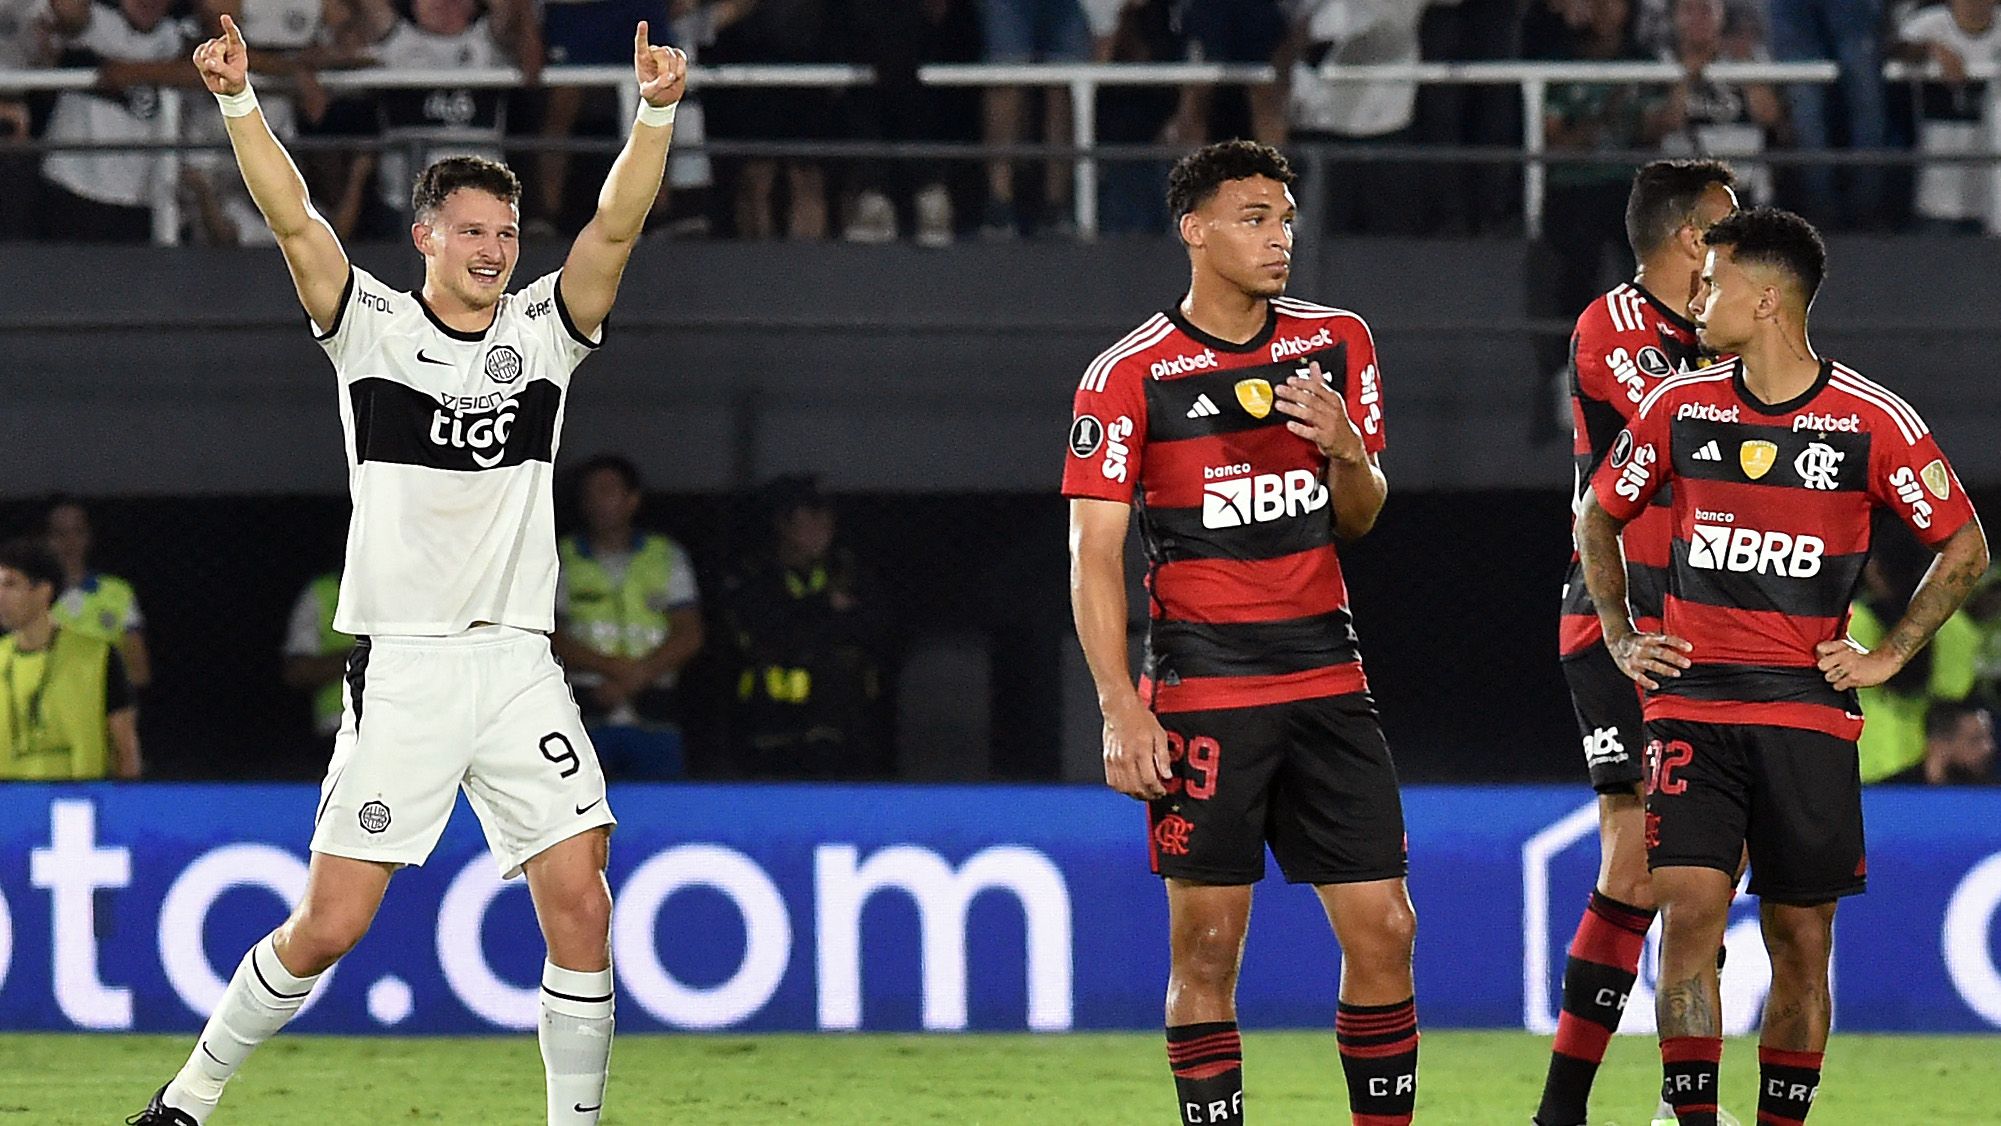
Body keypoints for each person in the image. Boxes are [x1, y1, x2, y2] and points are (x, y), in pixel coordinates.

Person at [129, 15, 687, 1126]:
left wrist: (656, 114)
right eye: (473, 230)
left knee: (581, 895)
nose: (495, 249)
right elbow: (292, 217)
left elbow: (616, 228)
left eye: (508, 231)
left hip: (520, 663)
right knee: (328, 926)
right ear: (425, 235)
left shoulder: (547, 332)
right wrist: (240, 99)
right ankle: (188, 1098)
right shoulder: (369, 329)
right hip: (410, 670)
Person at [1576, 207, 1989, 1125]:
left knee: (1800, 942)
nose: (1697, 298)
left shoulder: (1869, 421)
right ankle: (1689, 1118)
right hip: (1691, 709)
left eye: (1713, 282)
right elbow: (1597, 514)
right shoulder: (1677, 407)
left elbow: (1962, 545)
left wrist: (1888, 656)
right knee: (1687, 917)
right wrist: (1618, 630)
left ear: (1765, 300)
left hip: (1804, 714)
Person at [1064, 140, 1417, 1126]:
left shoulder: (1336, 341)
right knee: (1209, 951)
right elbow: (1093, 553)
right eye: (1255, 216)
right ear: (1194, 227)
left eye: (1285, 218)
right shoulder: (1130, 374)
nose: (1279, 237)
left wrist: (1348, 448)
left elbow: (1362, 513)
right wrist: (1118, 706)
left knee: (1386, 928)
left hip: (1327, 673)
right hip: (1206, 686)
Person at [1537, 157, 1739, 1126]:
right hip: (1618, 620)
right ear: (1692, 239)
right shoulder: (1611, 327)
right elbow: (1689, 430)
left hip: (1704, 626)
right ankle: (1568, 1110)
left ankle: (1671, 1101)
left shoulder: (1725, 342)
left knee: (1702, 867)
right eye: (1729, 227)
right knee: (1637, 859)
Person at [1527, 0, 1674, 437]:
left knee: (1649, 282)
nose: (1607, 11)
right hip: (1573, 189)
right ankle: (1565, 383)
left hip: (1629, 188)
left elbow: (1651, 130)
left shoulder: (1641, 63)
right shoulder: (1560, 64)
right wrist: (1604, 118)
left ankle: (1655, 381)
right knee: (1575, 278)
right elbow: (1556, 143)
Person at [722, 475, 888, 778]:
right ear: (782, 524)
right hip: (770, 726)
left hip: (840, 727)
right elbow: (764, 635)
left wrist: (810, 620)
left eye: (826, 516)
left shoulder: (851, 574)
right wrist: (825, 609)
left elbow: (873, 631)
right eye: (810, 516)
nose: (822, 526)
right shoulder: (752, 576)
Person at [553, 454, 703, 779]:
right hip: (584, 712)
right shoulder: (561, 557)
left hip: (655, 714)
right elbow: (549, 636)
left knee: (661, 817)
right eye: (590, 493)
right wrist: (615, 670)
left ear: (632, 499)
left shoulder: (665, 555)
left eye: (608, 491)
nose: (598, 501)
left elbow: (689, 634)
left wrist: (638, 676)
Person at [38, 0, 190, 241]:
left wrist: (134, 73)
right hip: (73, 189)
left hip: (140, 202)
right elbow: (67, 9)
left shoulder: (177, 37)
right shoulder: (95, 22)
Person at [0, 537, 141, 781]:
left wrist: (125, 808)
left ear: (44, 591)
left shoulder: (97, 656)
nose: (0, 596)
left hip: (80, 803)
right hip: (10, 808)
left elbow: (125, 749)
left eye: (10, 585)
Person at [1849, 548, 1981, 781]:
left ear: (1873, 569)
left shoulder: (1850, 622)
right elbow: (1956, 695)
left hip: (1860, 766)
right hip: (1925, 769)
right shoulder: (1957, 627)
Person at [1656, 0, 1785, 207]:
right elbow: (1666, 123)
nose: (1698, 19)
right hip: (1686, 190)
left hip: (1744, 184)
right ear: (1674, 18)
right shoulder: (1663, 61)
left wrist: (1744, 66)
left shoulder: (1749, 56)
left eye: (1706, 10)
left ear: (1721, 14)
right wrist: (1685, 78)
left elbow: (1769, 116)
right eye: (1688, 11)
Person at [1893, 0, 2001, 232]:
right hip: (1935, 192)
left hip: (1991, 198)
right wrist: (1931, 49)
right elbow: (1895, 49)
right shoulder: (1929, 24)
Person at [46, 498, 151, 691]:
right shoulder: (27, 595)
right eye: (60, 533)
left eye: (78, 531)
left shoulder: (118, 593)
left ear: (89, 536)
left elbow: (139, 672)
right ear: (46, 539)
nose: (70, 541)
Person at [280, 568, 353, 744]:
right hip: (340, 729)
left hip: (409, 728)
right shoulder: (321, 593)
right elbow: (297, 672)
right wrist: (360, 657)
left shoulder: (409, 587)